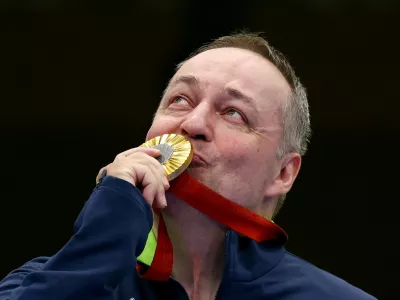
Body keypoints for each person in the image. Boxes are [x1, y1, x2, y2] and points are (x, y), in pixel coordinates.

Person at [0, 33, 375, 300]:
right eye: (180, 99)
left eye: (233, 113)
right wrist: (106, 233)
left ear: (283, 173)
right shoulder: (38, 283)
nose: (192, 124)